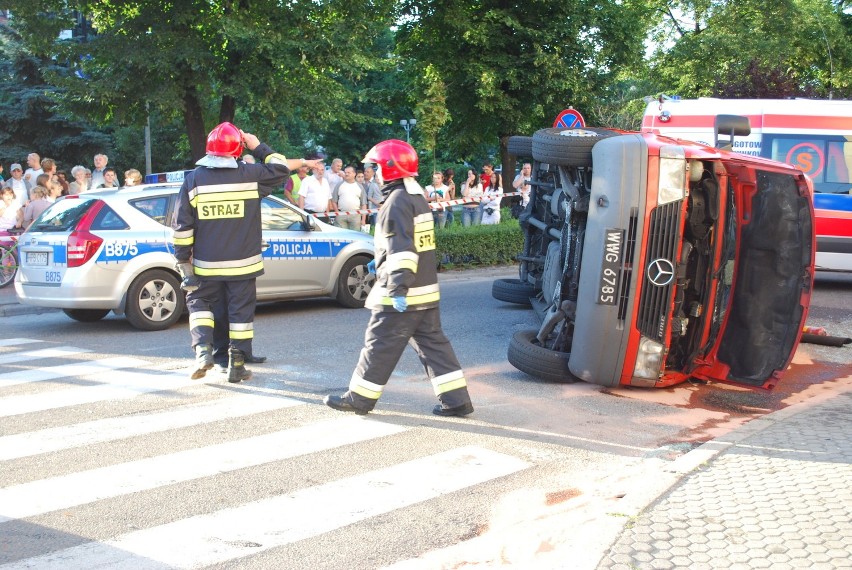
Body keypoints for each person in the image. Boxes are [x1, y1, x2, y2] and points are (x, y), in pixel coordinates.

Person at [324, 139, 474, 417]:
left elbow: (403, 252)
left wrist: (397, 289)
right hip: (425, 290)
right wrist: (377, 262)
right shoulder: (416, 198)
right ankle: (456, 400)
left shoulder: (395, 202)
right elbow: (412, 245)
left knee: (378, 342)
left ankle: (359, 398)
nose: (375, 172)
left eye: (378, 167)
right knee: (434, 346)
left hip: (404, 293)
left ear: (391, 169)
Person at [172, 121, 319, 382]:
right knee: (240, 314)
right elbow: (281, 168)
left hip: (207, 264)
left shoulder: (193, 180)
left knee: (201, 305)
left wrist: (183, 258)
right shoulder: (250, 175)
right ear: (238, 150)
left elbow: (183, 225)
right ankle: (237, 364)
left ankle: (204, 351)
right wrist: (257, 145)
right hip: (244, 264)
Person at [331, 165, 367, 230]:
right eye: (345, 172)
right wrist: (337, 213)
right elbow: (334, 201)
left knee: (355, 237)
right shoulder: (339, 185)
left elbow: (364, 204)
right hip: (341, 215)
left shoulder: (360, 187)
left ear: (354, 174)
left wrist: (363, 220)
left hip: (355, 215)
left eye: (348, 173)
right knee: (342, 237)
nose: (346, 174)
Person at [363, 165, 382, 233]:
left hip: (384, 209)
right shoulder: (373, 184)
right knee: (375, 226)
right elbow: (369, 197)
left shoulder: (385, 185)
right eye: (376, 177)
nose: (377, 178)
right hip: (374, 209)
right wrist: (377, 203)